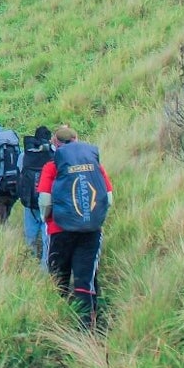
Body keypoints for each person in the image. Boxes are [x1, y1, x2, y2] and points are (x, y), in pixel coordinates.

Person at [37, 126, 113, 329]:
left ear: (55, 143)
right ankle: (88, 326)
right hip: (91, 230)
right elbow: (109, 198)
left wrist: (47, 218)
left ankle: (59, 323)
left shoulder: (51, 167)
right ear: (77, 140)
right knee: (85, 278)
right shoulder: (94, 165)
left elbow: (45, 201)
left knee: (58, 279)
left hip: (59, 231)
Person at [17, 125, 54, 266]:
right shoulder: (54, 154)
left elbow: (19, 172)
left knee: (30, 235)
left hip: (29, 200)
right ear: (49, 139)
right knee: (46, 236)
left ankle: (30, 265)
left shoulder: (24, 155)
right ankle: (45, 267)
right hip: (48, 201)